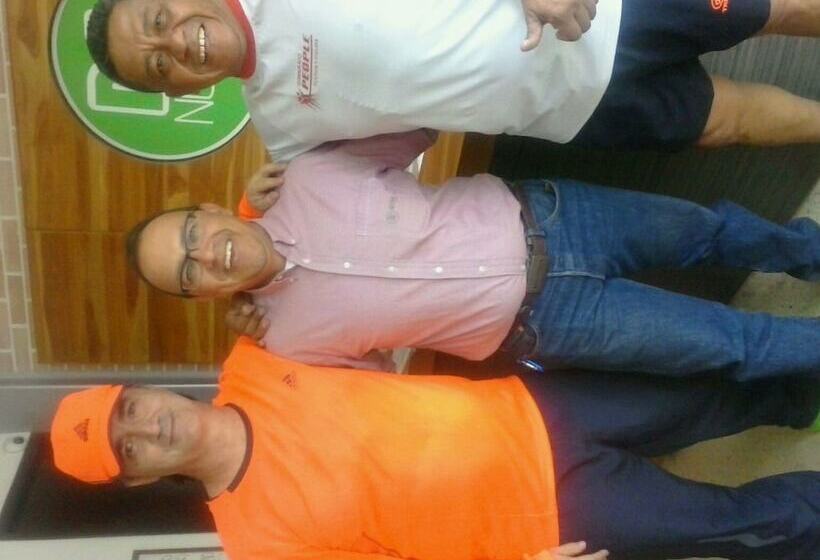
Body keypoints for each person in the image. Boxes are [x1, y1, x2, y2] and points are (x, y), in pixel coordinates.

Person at [125, 130, 820, 378]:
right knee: (730, 345)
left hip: (559, 216)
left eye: (190, 234)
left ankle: (806, 251)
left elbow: (418, 118)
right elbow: (379, 386)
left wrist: (257, 205)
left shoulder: (307, 173)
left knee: (712, 231)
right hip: (551, 324)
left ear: (209, 210)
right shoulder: (290, 345)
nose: (205, 256)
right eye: (188, 274)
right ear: (201, 296)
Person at [50, 338, 820, 559]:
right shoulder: (258, 545)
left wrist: (257, 190)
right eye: (129, 450)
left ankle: (805, 395)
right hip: (547, 520)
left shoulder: (254, 358)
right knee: (733, 524)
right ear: (139, 480)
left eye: (130, 410)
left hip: (534, 407)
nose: (147, 429)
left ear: (141, 390)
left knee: (710, 397)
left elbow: (282, 243)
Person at [85, 0, 820, 161]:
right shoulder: (285, 136)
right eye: (158, 64)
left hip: (609, 9)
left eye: (158, 19)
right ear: (182, 94)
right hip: (570, 109)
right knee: (726, 121)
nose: (174, 43)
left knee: (768, 10)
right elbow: (374, 177)